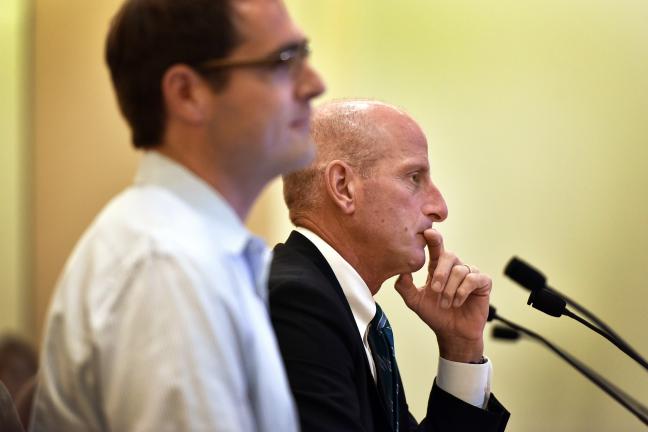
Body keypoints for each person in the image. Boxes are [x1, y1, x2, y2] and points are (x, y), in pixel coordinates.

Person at [30, 0, 325, 430]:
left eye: (305, 55)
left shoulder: (190, 248)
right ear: (188, 93)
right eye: (283, 61)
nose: (314, 83)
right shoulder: (168, 266)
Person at [269, 100, 510, 431]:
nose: (440, 208)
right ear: (342, 186)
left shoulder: (340, 306)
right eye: (414, 177)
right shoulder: (296, 303)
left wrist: (461, 348)